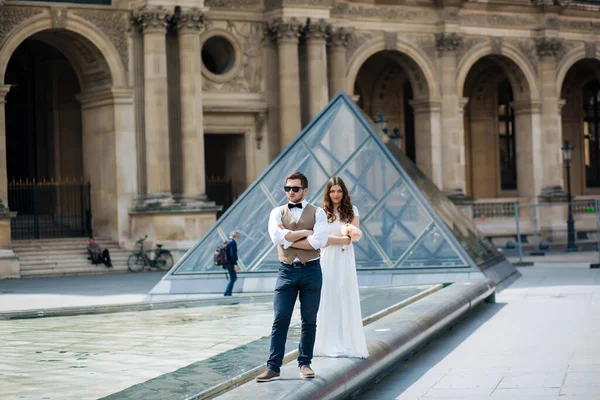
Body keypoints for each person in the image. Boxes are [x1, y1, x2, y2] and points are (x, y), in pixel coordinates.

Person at [255, 172, 328, 382]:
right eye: (287, 188)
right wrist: (306, 232)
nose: (291, 192)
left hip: (312, 271)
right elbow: (275, 237)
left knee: (309, 320)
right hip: (286, 271)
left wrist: (288, 238)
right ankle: (273, 367)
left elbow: (319, 241)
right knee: (280, 319)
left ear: (305, 190)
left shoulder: (319, 212)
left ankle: (305, 363)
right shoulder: (276, 212)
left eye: (295, 188)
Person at [313, 176, 368, 358]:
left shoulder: (352, 210)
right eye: (332, 191)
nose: (336, 194)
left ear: (344, 192)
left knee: (345, 294)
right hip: (327, 259)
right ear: (328, 193)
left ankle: (347, 342)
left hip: (344, 259)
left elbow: (353, 237)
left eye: (339, 190)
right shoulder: (321, 212)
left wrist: (338, 239)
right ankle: (327, 343)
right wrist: (341, 239)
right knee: (327, 297)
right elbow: (321, 241)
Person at [223, 230, 240, 296]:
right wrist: (235, 264)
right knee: (233, 278)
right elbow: (233, 254)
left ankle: (228, 293)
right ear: (236, 236)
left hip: (226, 263)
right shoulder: (233, 243)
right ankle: (227, 293)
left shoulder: (227, 241)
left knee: (233, 278)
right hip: (230, 263)